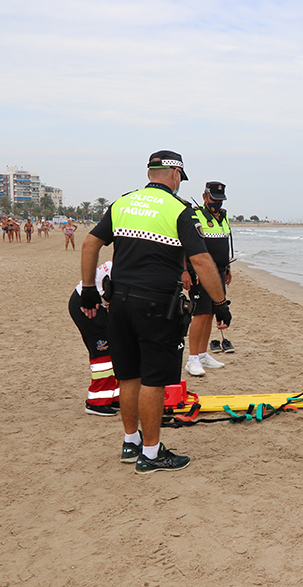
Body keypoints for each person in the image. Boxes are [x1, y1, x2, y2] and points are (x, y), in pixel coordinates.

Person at [80, 150, 232, 474]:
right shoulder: (179, 210)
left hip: (117, 302)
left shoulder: (122, 203)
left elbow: (90, 244)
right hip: (156, 306)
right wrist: (220, 304)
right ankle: (150, 455)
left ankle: (130, 442)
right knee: (154, 378)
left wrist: (89, 290)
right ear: (175, 175)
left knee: (129, 374)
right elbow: (202, 261)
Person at [183, 181, 233, 376]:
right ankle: (192, 358)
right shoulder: (195, 215)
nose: (217, 203)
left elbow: (224, 242)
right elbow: (184, 246)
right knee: (200, 314)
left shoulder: (224, 216)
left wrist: (227, 267)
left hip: (219, 271)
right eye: (214, 199)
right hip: (200, 272)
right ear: (204, 197)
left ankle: (203, 354)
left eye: (220, 200)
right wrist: (184, 271)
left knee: (212, 313)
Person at [69, 261, 120, 415]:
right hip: (86, 306)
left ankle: (113, 397)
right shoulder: (126, 269)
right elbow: (112, 301)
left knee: (113, 349)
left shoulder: (126, 261)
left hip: (97, 304)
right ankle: (96, 402)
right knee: (102, 353)